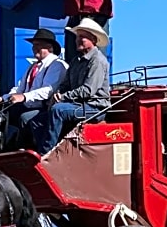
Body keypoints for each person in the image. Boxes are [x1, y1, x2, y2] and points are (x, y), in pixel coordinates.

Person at [0, 28, 69, 156]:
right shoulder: (33, 67)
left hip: (44, 107)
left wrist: (24, 97)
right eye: (33, 46)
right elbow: (19, 88)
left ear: (49, 47)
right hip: (28, 105)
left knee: (24, 118)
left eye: (37, 45)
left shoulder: (57, 65)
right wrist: (5, 98)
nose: (34, 49)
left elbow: (48, 90)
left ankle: (23, 151)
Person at [29, 18, 111, 155]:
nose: (78, 40)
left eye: (82, 37)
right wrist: (58, 93)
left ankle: (46, 154)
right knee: (37, 120)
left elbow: (88, 91)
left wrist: (62, 97)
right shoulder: (75, 61)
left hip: (95, 107)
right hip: (78, 104)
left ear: (93, 40)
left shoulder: (97, 60)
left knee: (58, 110)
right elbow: (65, 84)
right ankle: (40, 151)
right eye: (77, 37)